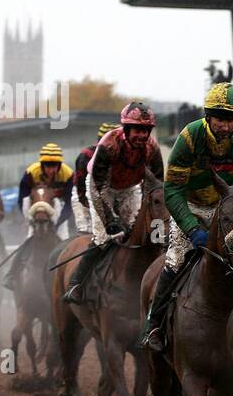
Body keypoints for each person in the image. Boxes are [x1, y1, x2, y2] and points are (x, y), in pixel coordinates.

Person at [143, 83, 233, 351]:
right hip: (191, 205)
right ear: (208, 116)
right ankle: (155, 324)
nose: (226, 125)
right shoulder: (189, 137)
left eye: (231, 119)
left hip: (226, 209)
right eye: (220, 118)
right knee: (175, 259)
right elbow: (172, 189)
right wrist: (191, 227)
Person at [63, 103, 164, 304]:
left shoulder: (152, 148)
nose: (142, 136)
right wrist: (110, 219)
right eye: (137, 130)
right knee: (105, 237)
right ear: (126, 129)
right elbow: (99, 189)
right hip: (102, 187)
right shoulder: (109, 144)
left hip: (129, 189)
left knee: (137, 231)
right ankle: (76, 284)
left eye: (145, 131)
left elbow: (157, 184)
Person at [6, 144, 75, 291]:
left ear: (59, 165)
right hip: (34, 211)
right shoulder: (31, 173)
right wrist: (30, 220)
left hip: (58, 209)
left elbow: (69, 204)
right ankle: (12, 274)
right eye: (48, 166)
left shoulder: (68, 174)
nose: (51, 170)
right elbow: (22, 200)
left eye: (55, 166)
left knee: (64, 243)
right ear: (42, 165)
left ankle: (71, 282)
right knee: (28, 241)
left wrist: (57, 225)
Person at [73, 122, 118, 235]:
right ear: (100, 142)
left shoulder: (124, 155)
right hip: (83, 194)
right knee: (88, 230)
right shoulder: (86, 155)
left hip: (109, 193)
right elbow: (82, 190)